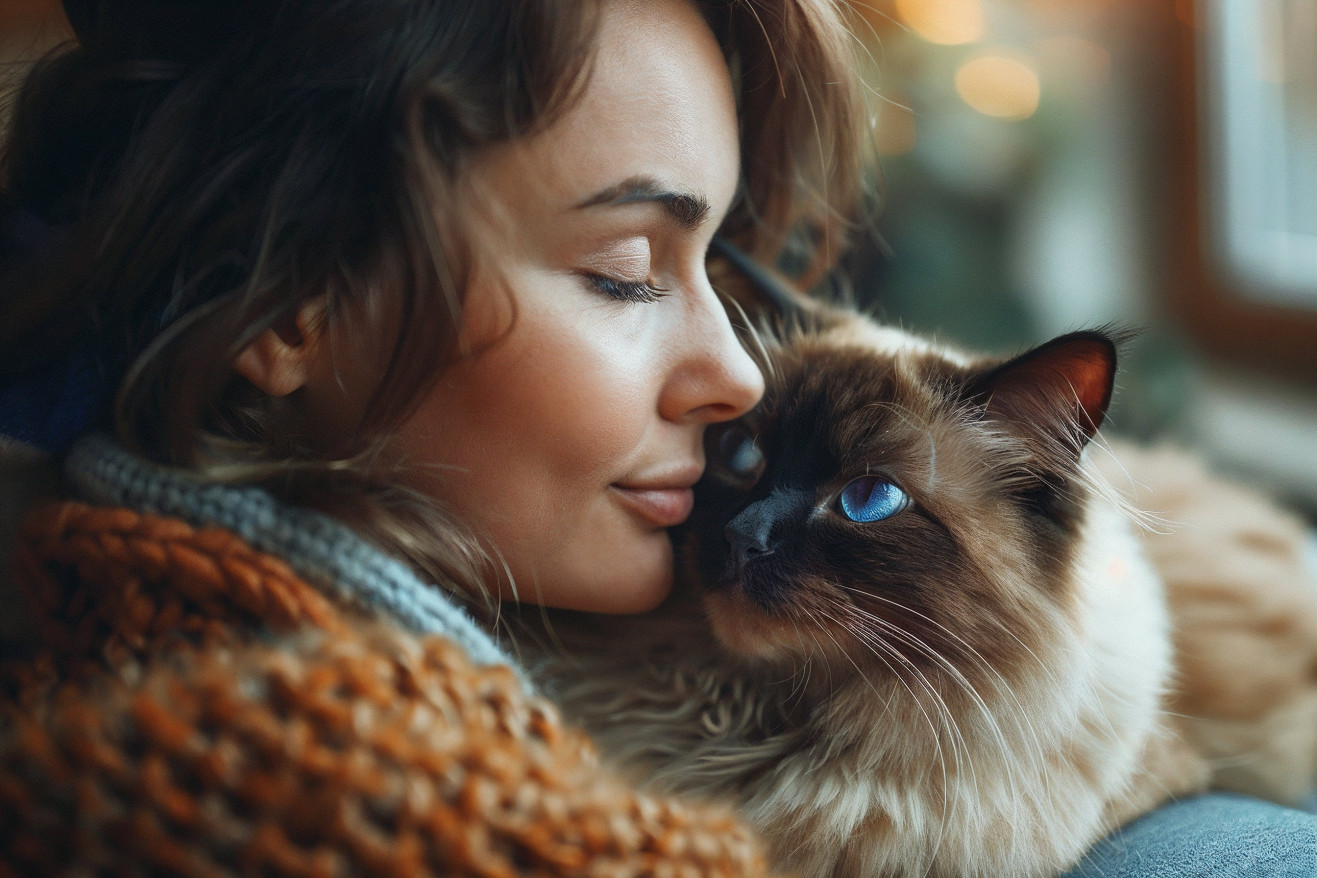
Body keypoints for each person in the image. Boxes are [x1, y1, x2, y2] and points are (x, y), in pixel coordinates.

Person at [0, 0, 1312, 875]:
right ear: (288, 305)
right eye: (628, 267)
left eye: (713, 265)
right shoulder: (325, 776)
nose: (736, 373)